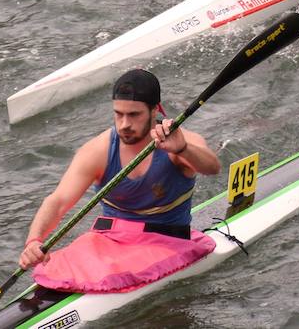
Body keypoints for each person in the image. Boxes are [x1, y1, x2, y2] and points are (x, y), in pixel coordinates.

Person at [18, 69, 220, 292]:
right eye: (118, 114)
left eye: (134, 115)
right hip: (107, 242)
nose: (124, 124)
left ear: (155, 110)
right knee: (57, 264)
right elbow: (58, 201)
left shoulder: (180, 143)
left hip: (165, 243)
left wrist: (183, 149)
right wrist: (34, 241)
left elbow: (212, 167)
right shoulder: (99, 150)